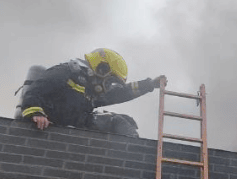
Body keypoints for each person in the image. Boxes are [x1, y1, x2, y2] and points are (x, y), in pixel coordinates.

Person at [18, 48, 164, 136]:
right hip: (52, 121)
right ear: (102, 69)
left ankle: (131, 155)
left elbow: (119, 93)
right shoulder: (66, 72)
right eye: (110, 81)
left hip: (76, 124)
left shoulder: (91, 89)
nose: (108, 86)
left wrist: (149, 85)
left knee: (120, 121)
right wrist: (36, 113)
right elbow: (36, 90)